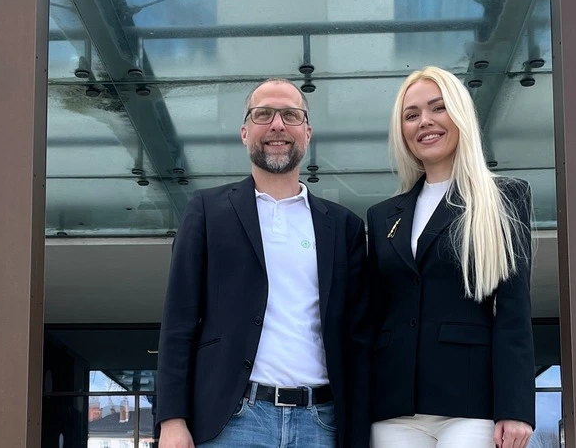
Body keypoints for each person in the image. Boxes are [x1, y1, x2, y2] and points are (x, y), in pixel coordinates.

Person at [156, 78, 370, 448]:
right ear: (244, 132)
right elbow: (179, 321)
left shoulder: (343, 226)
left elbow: (358, 340)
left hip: (321, 425)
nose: (277, 125)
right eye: (263, 114)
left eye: (291, 115)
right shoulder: (207, 211)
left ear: (307, 133)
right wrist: (172, 420)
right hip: (233, 422)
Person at [366, 66, 535, 448]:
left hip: (470, 403)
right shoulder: (382, 216)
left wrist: (516, 408)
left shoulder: (503, 199)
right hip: (393, 405)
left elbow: (514, 313)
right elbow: (375, 315)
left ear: (459, 114)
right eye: (411, 115)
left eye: (437, 108)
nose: (425, 121)